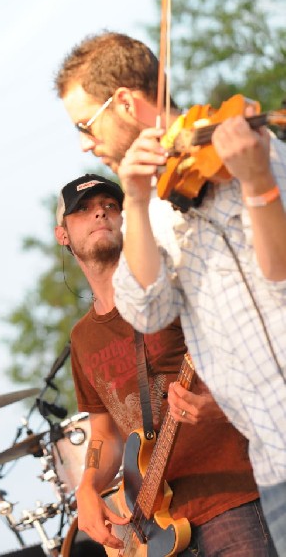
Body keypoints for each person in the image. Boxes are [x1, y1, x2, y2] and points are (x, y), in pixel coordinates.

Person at [54, 32, 286, 554]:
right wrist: (135, 201)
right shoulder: (155, 213)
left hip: (240, 480)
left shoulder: (256, 161)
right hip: (256, 466)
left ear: (126, 104)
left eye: (86, 126)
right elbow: (145, 307)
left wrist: (258, 184)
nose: (85, 144)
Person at [54, 172, 277, 556]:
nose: (101, 215)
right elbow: (105, 434)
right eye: (84, 210)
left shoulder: (167, 290)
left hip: (232, 496)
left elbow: (251, 364)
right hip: (156, 530)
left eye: (111, 206)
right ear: (63, 235)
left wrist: (217, 407)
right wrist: (88, 487)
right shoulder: (83, 338)